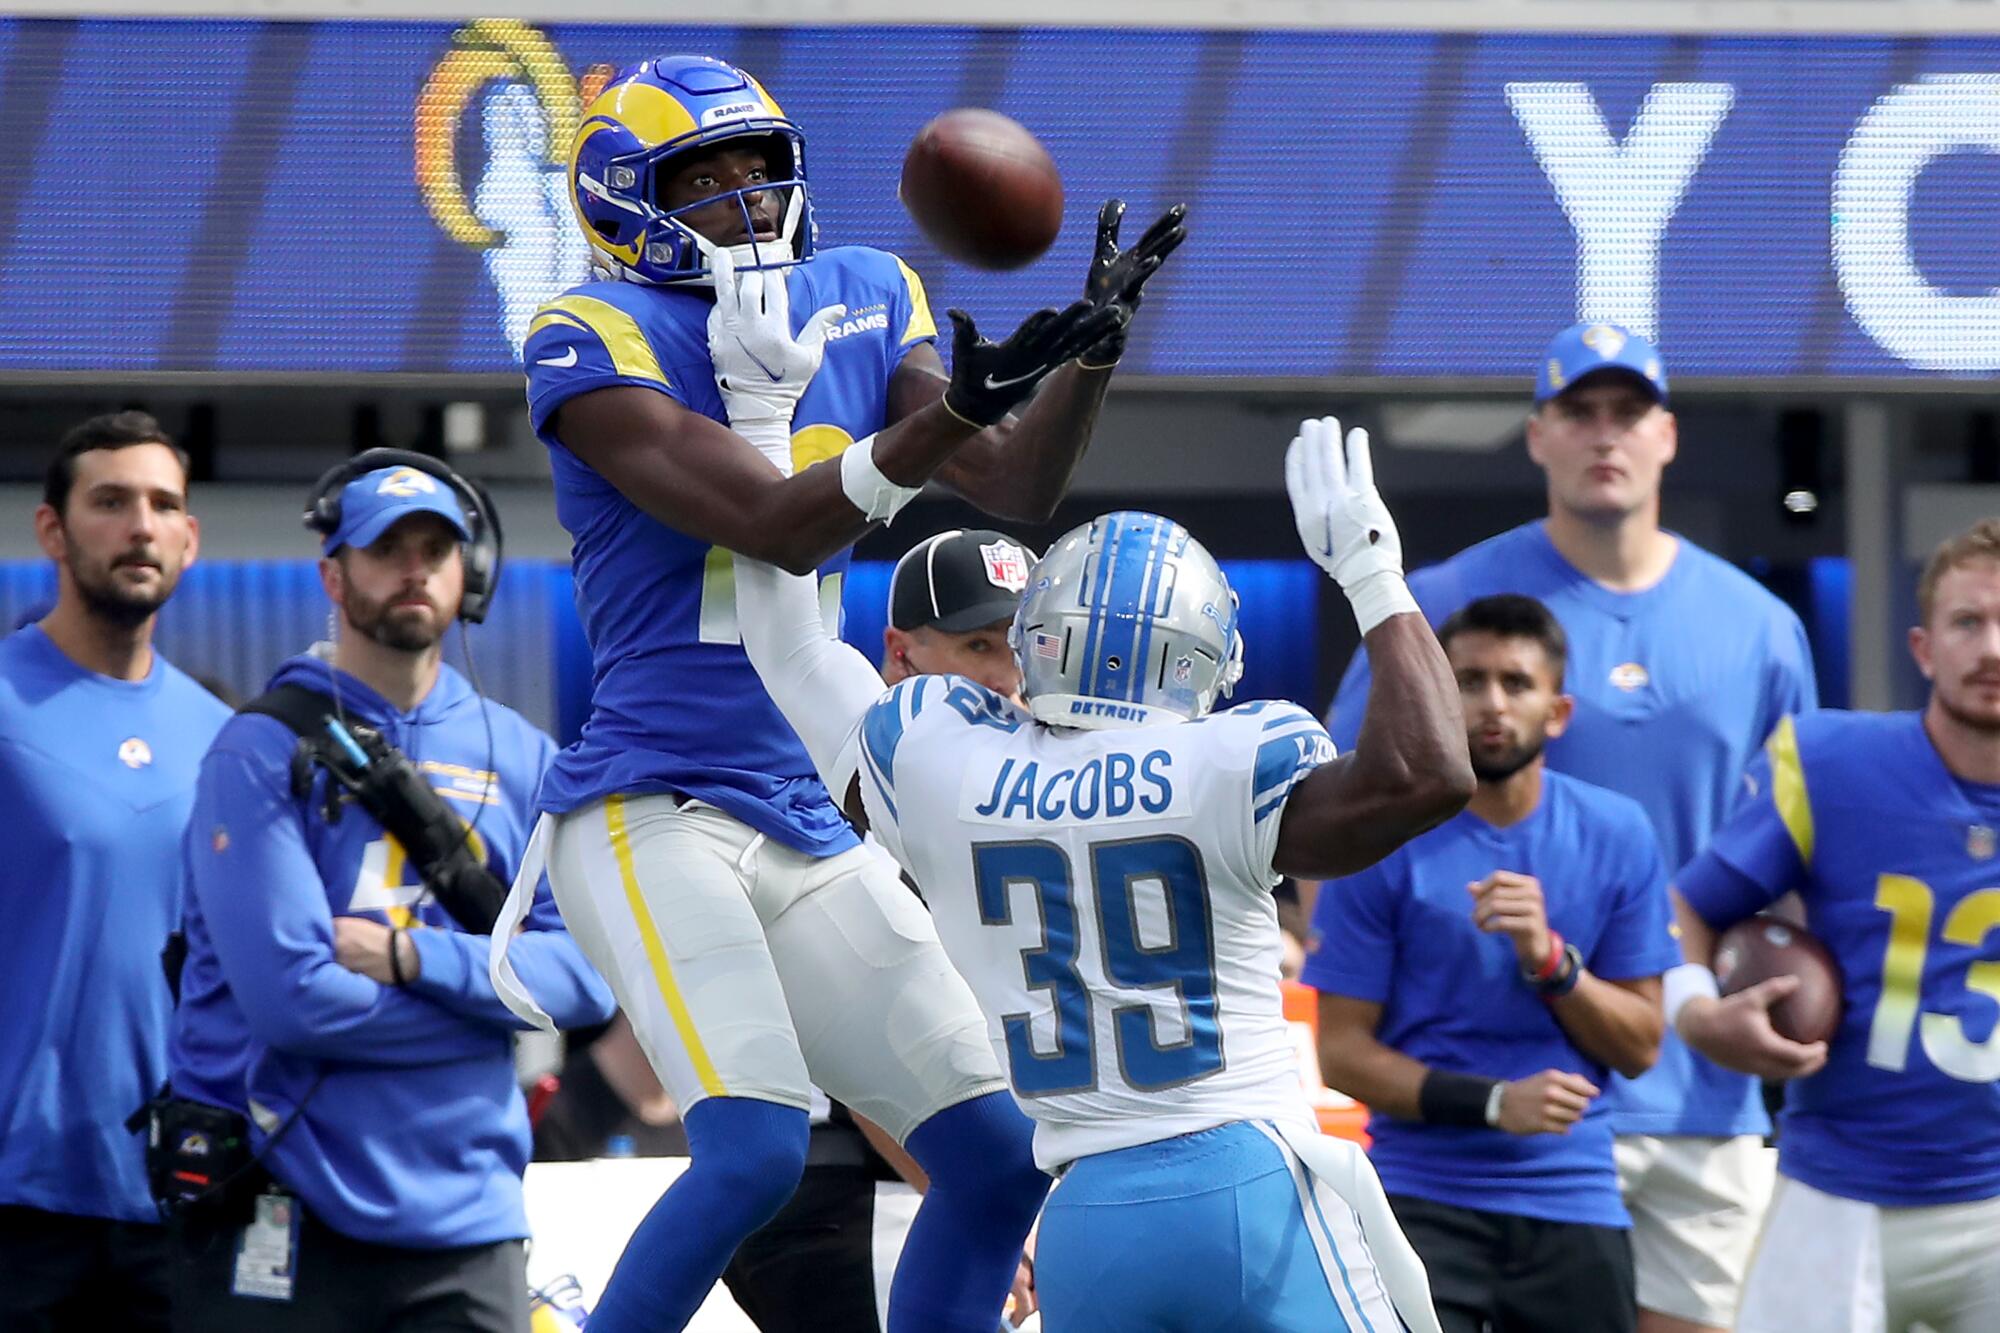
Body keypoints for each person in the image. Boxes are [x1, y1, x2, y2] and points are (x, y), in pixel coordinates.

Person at [491, 51, 1182, 1333]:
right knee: (751, 1148)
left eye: (758, 167)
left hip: (807, 805)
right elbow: (769, 522)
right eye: (702, 177)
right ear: (620, 201)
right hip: (650, 803)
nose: (746, 199)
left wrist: (1087, 355)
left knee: (996, 1152)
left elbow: (1014, 485)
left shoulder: (867, 287)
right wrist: (936, 422)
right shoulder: (587, 334)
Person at [729, 416, 1474, 1331]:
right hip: (1246, 1184)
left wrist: (760, 410)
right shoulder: (1230, 758)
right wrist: (1371, 573)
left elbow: (789, 646)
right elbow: (1429, 771)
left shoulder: (936, 756)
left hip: (1085, 1214)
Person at [1325, 321, 1817, 1333]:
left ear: (1666, 436)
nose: (1605, 436)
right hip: (1473, 1119)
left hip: (1693, 1087)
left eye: (1626, 413)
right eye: (1577, 412)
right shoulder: (1441, 604)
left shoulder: (1760, 626)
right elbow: (1341, 815)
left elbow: (1798, 860)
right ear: (1535, 434)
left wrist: (1789, 998)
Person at [168, 453, 613, 1332]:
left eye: (437, 547)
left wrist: (412, 957)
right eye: (387, 547)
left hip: (475, 1222)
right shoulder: (256, 751)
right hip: (290, 1206)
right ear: (334, 573)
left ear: (469, 572)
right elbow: (295, 1001)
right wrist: (495, 1001)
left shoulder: (525, 756)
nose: (415, 568)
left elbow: (593, 980)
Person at [1308, 594, 1680, 1333]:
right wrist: (1491, 1102)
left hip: (1572, 1197)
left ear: (1559, 710)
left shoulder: (1618, 832)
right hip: (1420, 1198)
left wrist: (1553, 964)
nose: (1491, 703)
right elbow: (1341, 1053)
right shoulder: (1378, 838)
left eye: (1516, 683)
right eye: (1468, 681)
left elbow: (1641, 1046)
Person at [1668, 520, 2000, 1333]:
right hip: (1838, 1185)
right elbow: (1687, 906)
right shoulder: (1831, 761)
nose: (1991, 646)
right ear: (1922, 648)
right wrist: (1698, 1012)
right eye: (1968, 622)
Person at [0, 412, 231, 1331]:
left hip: (178, 1201)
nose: (140, 525)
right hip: (19, 1206)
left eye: (163, 504)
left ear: (189, 539)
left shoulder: (227, 738)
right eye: (110, 502)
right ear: (51, 529)